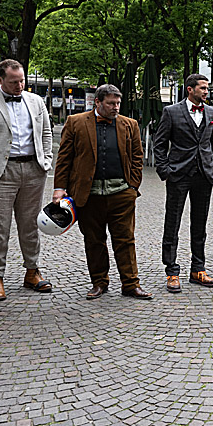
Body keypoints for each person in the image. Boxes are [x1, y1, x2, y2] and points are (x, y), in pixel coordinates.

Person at [0, 59, 54, 301]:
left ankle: (32, 271)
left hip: (33, 170)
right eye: (14, 82)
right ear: (0, 79)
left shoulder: (35, 102)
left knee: (30, 225)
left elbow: (46, 132)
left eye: (22, 80)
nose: (19, 85)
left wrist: (46, 160)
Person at [52, 84, 149, 300]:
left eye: (118, 103)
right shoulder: (75, 123)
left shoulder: (130, 125)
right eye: (111, 103)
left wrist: (133, 187)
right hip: (88, 195)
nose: (116, 108)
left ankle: (131, 284)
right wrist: (59, 189)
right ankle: (99, 282)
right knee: (94, 240)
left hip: (121, 194)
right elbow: (64, 158)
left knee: (125, 240)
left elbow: (137, 158)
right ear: (98, 102)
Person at [153, 73, 213, 292]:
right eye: (202, 88)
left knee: (199, 224)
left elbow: (212, 142)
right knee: (172, 224)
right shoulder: (171, 112)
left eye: (207, 89)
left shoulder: (211, 112)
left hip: (204, 175)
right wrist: (165, 171)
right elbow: (159, 144)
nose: (206, 92)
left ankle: (197, 269)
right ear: (190, 89)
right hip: (179, 175)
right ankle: (172, 271)